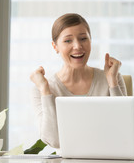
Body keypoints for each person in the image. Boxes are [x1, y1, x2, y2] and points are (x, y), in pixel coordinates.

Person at [30, 13, 127, 149]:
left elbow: (125, 132)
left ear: (90, 41)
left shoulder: (112, 78)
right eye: (68, 41)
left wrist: (112, 82)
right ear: (55, 46)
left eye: (83, 39)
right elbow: (54, 141)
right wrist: (46, 90)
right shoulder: (41, 88)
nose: (77, 46)